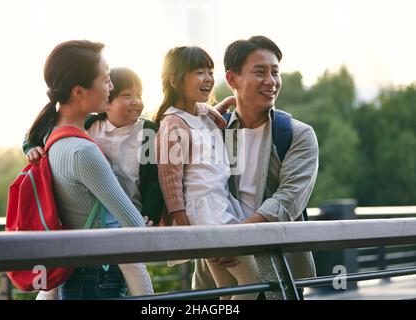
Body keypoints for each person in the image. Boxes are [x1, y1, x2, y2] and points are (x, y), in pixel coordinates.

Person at [192, 36, 319, 300]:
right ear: (232, 79)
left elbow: (287, 201)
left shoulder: (297, 135)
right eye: (260, 72)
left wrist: (235, 240)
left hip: (276, 275)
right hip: (217, 274)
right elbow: (186, 181)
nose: (271, 81)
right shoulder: (212, 132)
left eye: (275, 72)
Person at [26, 40, 148, 300]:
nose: (111, 86)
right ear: (79, 92)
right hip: (98, 281)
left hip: (77, 275)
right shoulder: (82, 151)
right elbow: (135, 225)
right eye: (105, 79)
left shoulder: (50, 136)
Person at [153, 46, 261, 300]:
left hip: (219, 208)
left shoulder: (201, 114)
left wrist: (226, 104)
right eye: (199, 72)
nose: (208, 78)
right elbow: (170, 184)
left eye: (210, 72)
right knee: (253, 282)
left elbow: (210, 117)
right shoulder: (172, 125)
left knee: (227, 291)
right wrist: (189, 233)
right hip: (205, 218)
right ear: (174, 79)